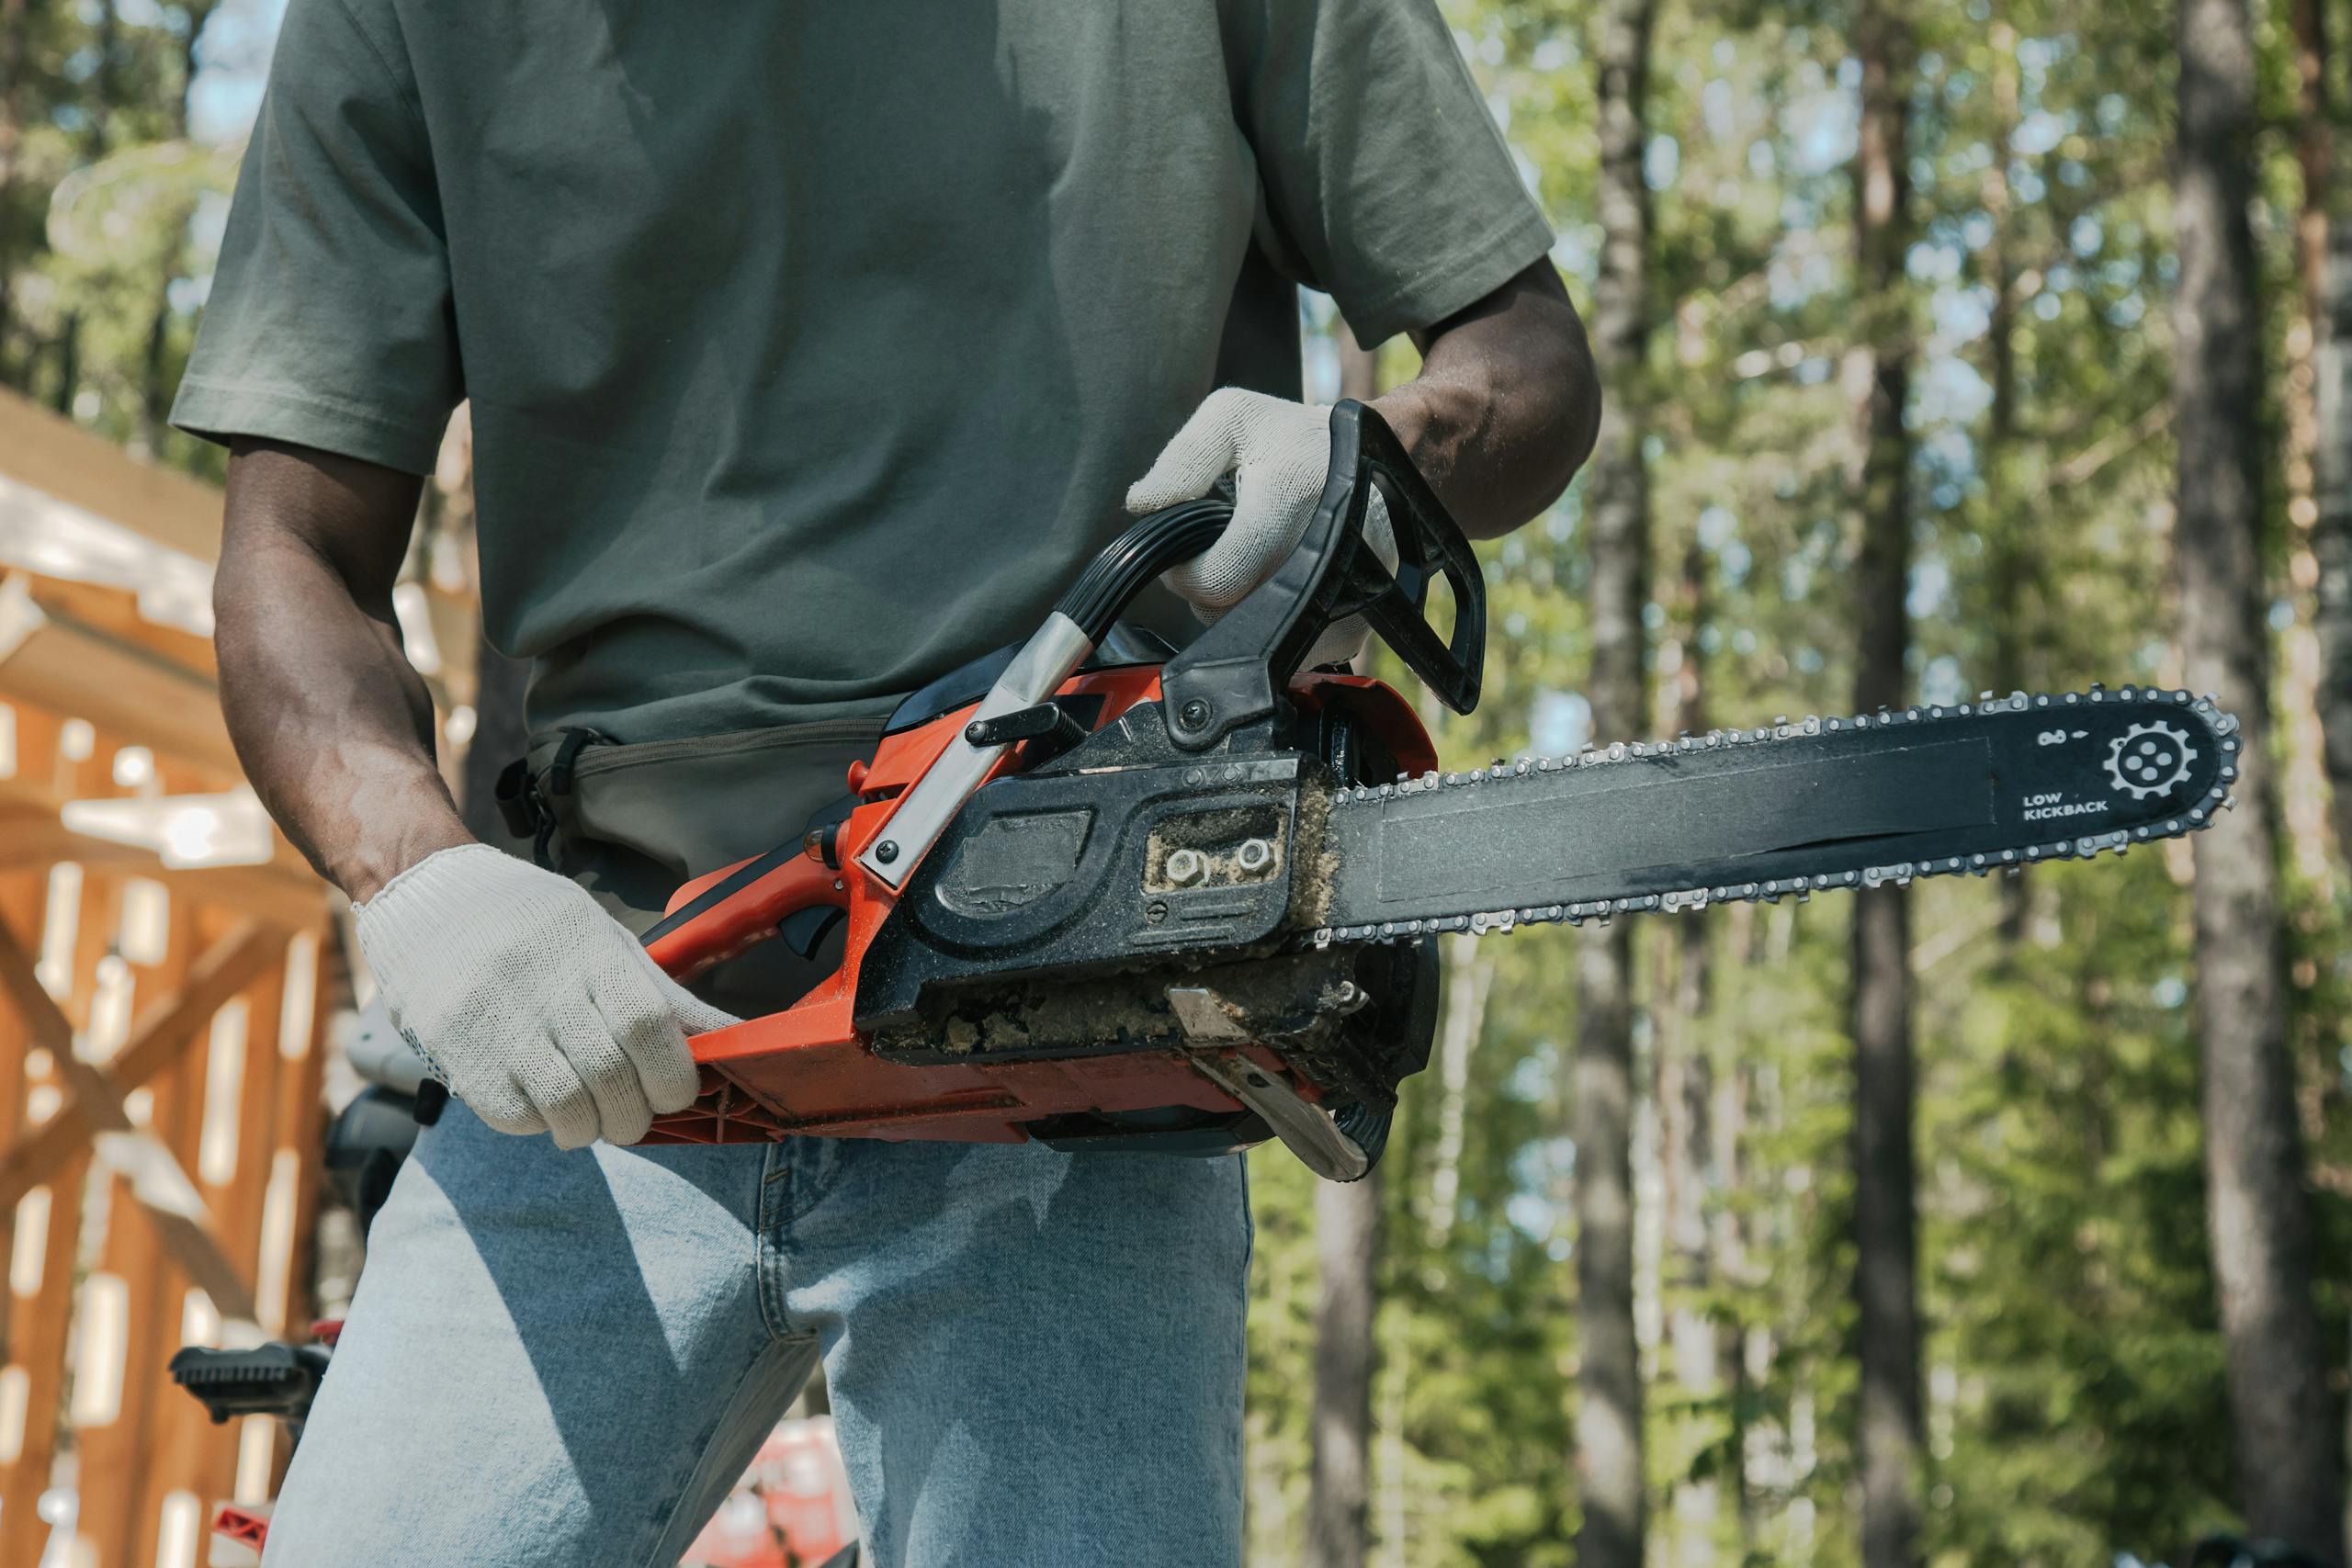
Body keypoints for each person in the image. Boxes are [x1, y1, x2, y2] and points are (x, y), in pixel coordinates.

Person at [175, 2, 1598, 1562]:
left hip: (1078, 1018)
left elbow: (1522, 353)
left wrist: (1373, 452)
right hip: (597, 1020)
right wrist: (418, 868)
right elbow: (290, 549)